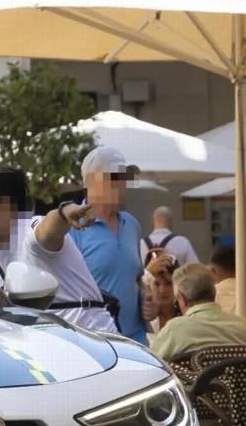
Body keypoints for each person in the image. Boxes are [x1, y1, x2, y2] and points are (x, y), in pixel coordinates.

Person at [70, 146, 147, 343]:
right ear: (91, 181)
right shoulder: (72, 229)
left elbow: (136, 278)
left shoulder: (131, 224)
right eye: (114, 178)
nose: (123, 184)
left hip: (137, 342)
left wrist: (147, 298)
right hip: (96, 343)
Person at [15, 186, 117, 333]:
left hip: (91, 334)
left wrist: (63, 212)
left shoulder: (29, 230)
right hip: (49, 341)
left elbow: (46, 232)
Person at [149, 263, 246, 361]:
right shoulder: (243, 327)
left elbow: (152, 364)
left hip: (192, 384)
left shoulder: (174, 329)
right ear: (214, 292)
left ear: (181, 299)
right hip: (235, 384)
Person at [142, 253, 179, 336]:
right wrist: (147, 272)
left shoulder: (186, 315)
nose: (162, 290)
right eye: (157, 284)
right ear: (149, 285)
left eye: (169, 284)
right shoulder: (142, 317)